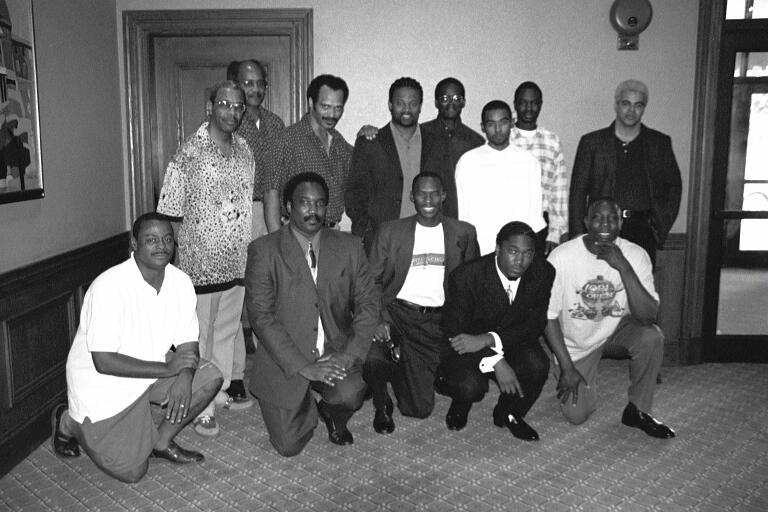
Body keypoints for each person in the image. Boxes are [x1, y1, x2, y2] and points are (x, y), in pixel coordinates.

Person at [51, 213, 223, 483]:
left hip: (151, 367)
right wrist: (169, 368)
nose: (162, 246)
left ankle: (161, 442)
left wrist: (185, 376)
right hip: (105, 385)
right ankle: (69, 421)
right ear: (134, 244)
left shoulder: (180, 282)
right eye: (151, 240)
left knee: (209, 377)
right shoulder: (109, 288)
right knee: (133, 472)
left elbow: (188, 341)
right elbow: (104, 362)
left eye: (167, 239)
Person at [245, 172, 379, 456]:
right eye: (304, 203)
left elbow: (368, 304)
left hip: (333, 348)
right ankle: (303, 400)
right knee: (289, 446)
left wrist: (349, 354)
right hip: (285, 356)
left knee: (350, 393)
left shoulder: (350, 246)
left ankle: (330, 411)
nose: (313, 210)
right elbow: (261, 317)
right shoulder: (264, 250)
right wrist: (302, 367)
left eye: (319, 204)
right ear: (288, 207)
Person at [156, 80, 254, 436]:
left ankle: (221, 388)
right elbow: (168, 210)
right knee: (200, 338)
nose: (232, 111)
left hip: (236, 261)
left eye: (238, 106)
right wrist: (189, 254)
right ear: (210, 106)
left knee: (227, 332)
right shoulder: (189, 153)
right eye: (225, 104)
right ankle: (200, 405)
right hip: (200, 266)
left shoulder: (244, 150)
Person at [545, 197, 675, 439]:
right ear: (586, 222)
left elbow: (648, 316)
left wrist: (623, 267)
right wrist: (566, 367)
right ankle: (579, 379)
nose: (605, 225)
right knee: (576, 415)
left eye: (612, 218)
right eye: (597, 218)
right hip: (577, 342)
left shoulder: (635, 255)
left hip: (616, 328)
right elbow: (548, 318)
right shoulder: (561, 257)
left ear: (620, 223)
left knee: (651, 337)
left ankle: (638, 411)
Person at [364, 172, 479, 434]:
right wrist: (379, 319)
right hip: (399, 315)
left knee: (429, 402)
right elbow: (371, 281)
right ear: (412, 197)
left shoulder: (464, 232)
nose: (428, 200)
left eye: (434, 193)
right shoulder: (391, 232)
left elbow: (471, 285)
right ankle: (383, 400)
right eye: (421, 194)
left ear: (444, 196)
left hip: (441, 320)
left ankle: (414, 367)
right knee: (375, 359)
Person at [437, 222, 554, 441]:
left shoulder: (543, 272)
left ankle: (509, 413)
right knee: (471, 386)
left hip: (509, 337)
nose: (520, 261)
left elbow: (536, 323)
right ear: (498, 249)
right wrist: (496, 362)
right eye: (513, 251)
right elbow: (454, 331)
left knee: (538, 365)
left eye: (528, 253)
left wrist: (490, 339)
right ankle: (460, 402)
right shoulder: (465, 276)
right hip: (466, 342)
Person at [224, 59, 286, 412]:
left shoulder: (275, 124)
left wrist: (276, 228)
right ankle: (233, 377)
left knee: (269, 294)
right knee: (234, 299)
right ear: (234, 84)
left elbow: (278, 175)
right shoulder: (227, 121)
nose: (255, 90)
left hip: (269, 210)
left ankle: (270, 368)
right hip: (234, 215)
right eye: (248, 83)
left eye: (260, 83)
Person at [569, 79, 682, 266]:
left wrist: (661, 225)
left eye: (638, 105)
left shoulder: (659, 143)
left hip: (643, 231)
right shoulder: (592, 143)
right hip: (602, 228)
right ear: (616, 105)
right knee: (601, 288)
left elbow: (674, 186)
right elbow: (578, 192)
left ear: (644, 108)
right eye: (625, 104)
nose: (631, 111)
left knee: (639, 289)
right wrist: (578, 235)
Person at [345, 77, 440, 248]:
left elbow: (444, 189)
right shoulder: (370, 142)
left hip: (426, 237)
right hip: (382, 239)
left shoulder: (435, 142)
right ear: (390, 105)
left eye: (413, 103)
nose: (406, 109)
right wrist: (365, 232)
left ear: (420, 106)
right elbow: (354, 193)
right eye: (400, 103)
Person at [455, 100, 546, 255]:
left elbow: (535, 215)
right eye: (491, 124)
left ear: (511, 123)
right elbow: (463, 214)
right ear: (483, 127)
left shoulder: (528, 161)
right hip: (481, 248)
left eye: (503, 123)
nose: (498, 130)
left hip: (518, 251)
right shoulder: (468, 162)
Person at [263, 74, 352, 232]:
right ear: (311, 103)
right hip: (295, 232)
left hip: (332, 233)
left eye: (338, 108)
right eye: (325, 106)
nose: (332, 115)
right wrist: (277, 243)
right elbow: (271, 193)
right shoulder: (285, 140)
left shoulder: (340, 144)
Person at [510, 81, 568, 255]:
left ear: (540, 105)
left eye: (534, 103)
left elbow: (559, 192)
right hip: (510, 216)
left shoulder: (552, 141)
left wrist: (556, 232)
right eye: (523, 102)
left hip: (542, 223)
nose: (529, 108)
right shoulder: (505, 138)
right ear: (515, 104)